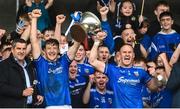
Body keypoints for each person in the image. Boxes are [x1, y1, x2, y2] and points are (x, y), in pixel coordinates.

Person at [88, 31, 158, 108]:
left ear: (133, 55)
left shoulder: (140, 71)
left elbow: (154, 88)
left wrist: (155, 76)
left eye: (129, 52)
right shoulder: (112, 70)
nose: (127, 54)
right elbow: (92, 61)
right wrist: (97, 42)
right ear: (119, 55)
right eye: (124, 52)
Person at [30, 9, 81, 108]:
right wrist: (34, 18)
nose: (52, 50)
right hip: (49, 106)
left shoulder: (64, 61)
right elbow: (33, 41)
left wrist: (78, 24)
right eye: (49, 48)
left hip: (66, 105)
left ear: (59, 50)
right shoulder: (41, 63)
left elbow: (77, 43)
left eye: (54, 48)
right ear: (44, 51)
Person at [0, 39, 43, 108]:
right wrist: (21, 92)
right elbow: (1, 86)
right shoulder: (3, 65)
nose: (21, 51)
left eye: (24, 49)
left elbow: (31, 85)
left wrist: (36, 96)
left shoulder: (30, 65)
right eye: (18, 48)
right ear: (12, 50)